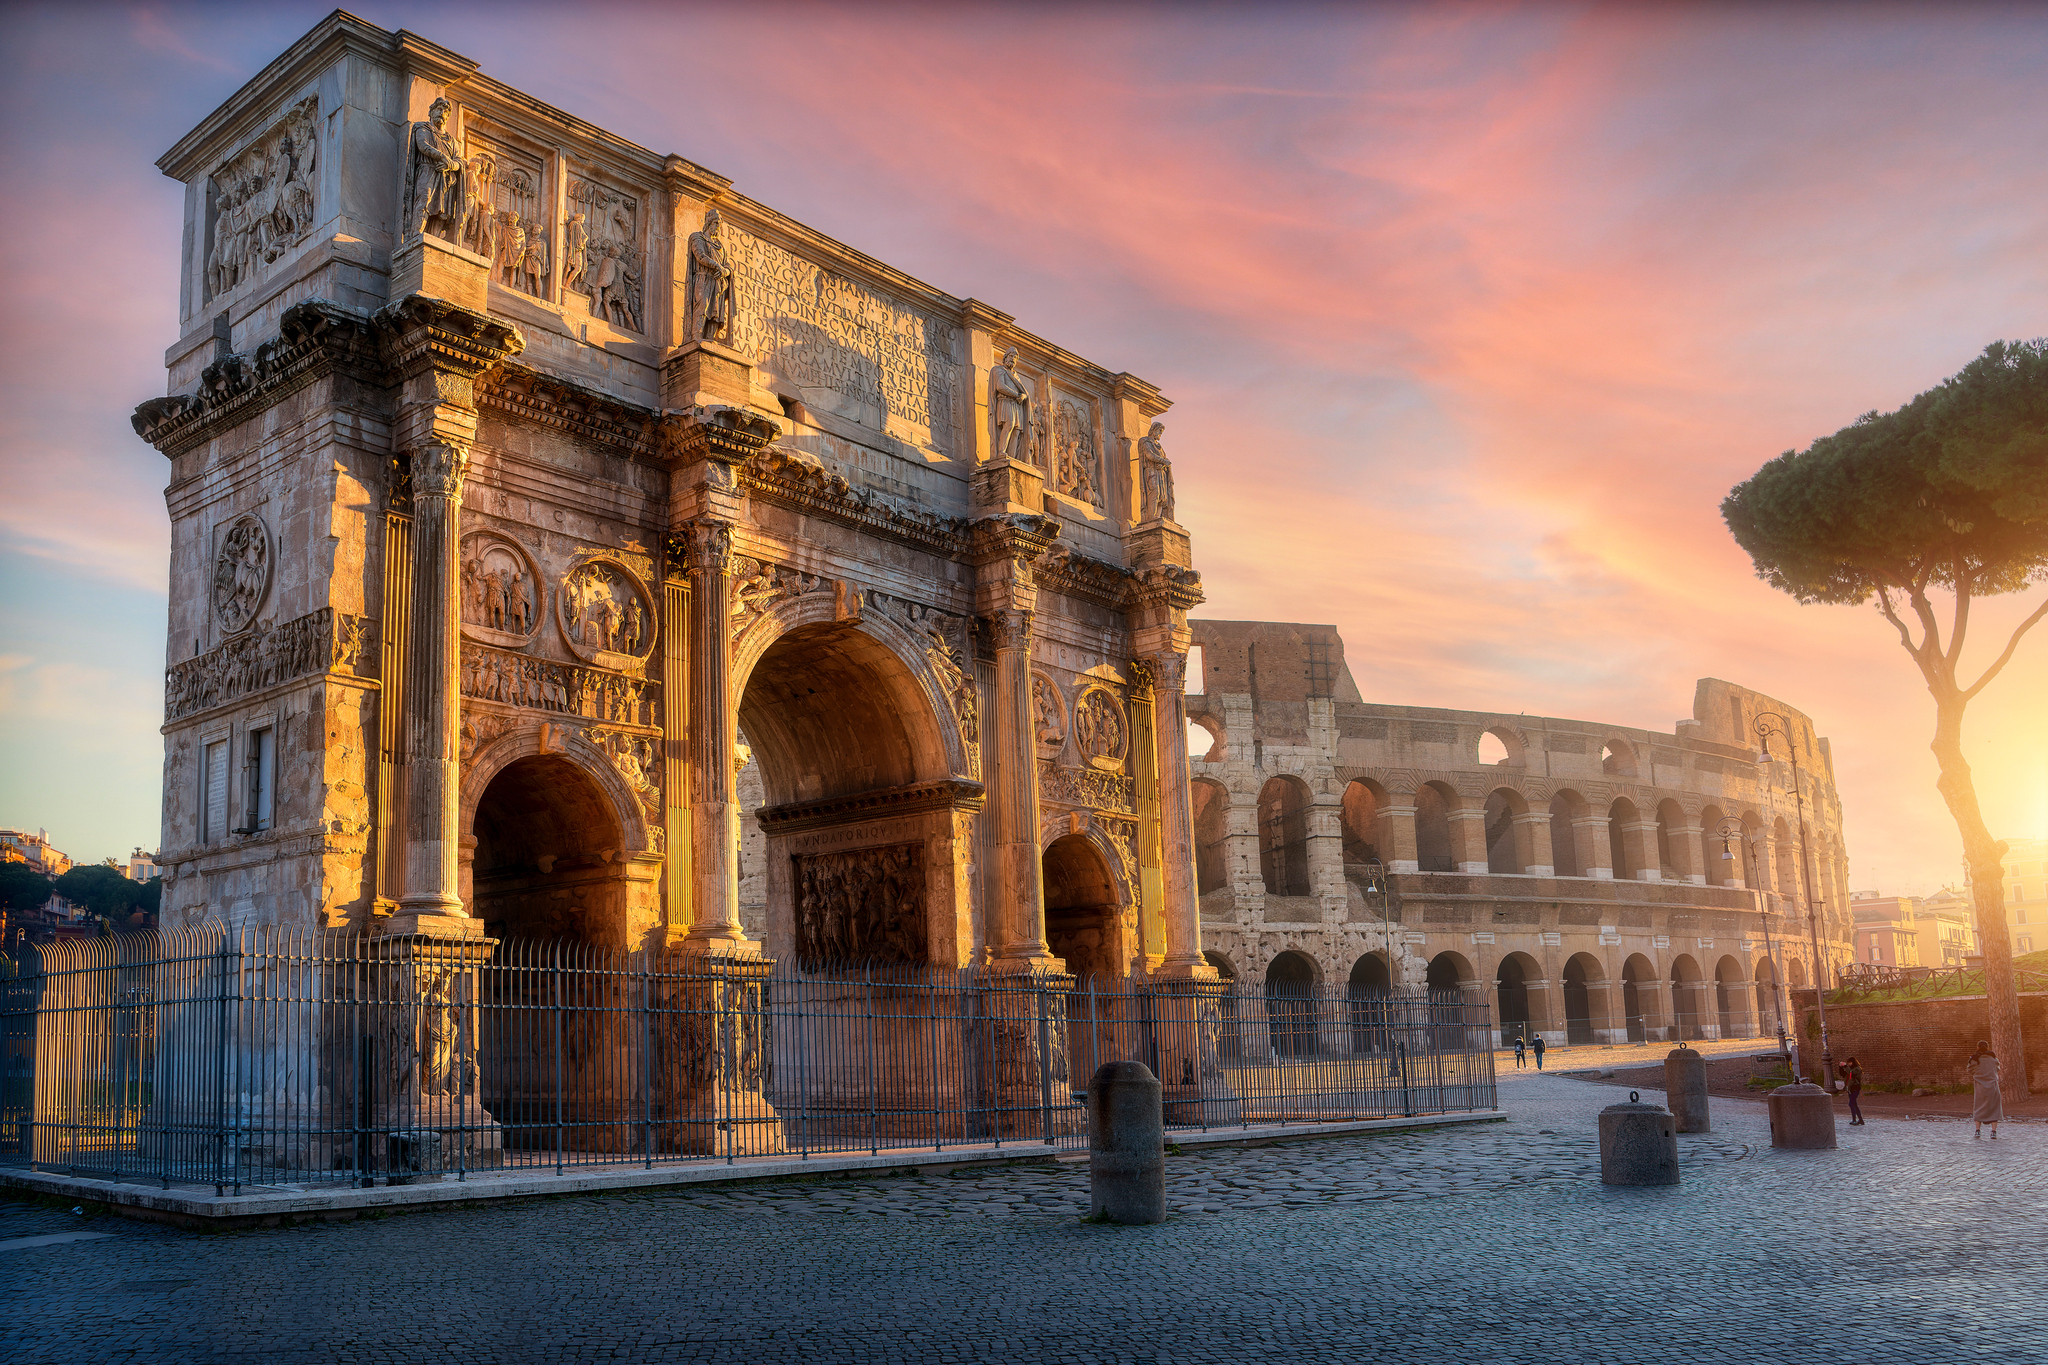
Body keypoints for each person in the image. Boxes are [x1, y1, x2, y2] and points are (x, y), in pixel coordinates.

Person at [1968, 1042, 2002, 1139]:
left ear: (1977, 1047)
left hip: (1980, 1087)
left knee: (1979, 1108)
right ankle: (1993, 1132)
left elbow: (1969, 1070)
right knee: (1994, 1108)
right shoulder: (1993, 1058)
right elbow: (1997, 1069)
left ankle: (1978, 1131)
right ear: (1987, 1047)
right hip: (1993, 1087)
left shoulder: (1974, 1059)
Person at [1838, 1056, 1865, 1125]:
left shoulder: (1857, 1069)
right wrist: (1841, 1067)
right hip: (1850, 1089)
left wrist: (1846, 1066)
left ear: (1853, 1062)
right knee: (1854, 1104)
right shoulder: (1850, 1069)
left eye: (1850, 1062)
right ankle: (1861, 1120)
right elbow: (1843, 1074)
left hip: (1855, 1088)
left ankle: (1854, 1120)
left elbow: (1851, 1073)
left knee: (1851, 1104)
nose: (1849, 1064)